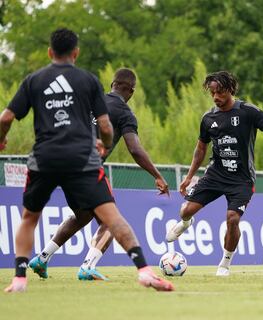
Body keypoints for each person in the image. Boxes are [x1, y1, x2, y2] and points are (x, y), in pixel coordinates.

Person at [0, 28, 173, 292]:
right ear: (76, 53)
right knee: (110, 217)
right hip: (83, 162)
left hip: (44, 157)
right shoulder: (89, 84)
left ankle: (26, 272)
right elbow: (114, 133)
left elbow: (6, 118)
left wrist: (1, 140)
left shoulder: (34, 80)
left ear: (49, 52)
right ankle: (121, 269)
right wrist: (104, 143)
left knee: (39, 218)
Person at [27, 68, 169, 281]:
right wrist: (157, 175)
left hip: (61, 164)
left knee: (82, 216)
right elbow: (135, 149)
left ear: (112, 85)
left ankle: (42, 258)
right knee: (112, 220)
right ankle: (87, 267)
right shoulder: (124, 113)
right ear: (131, 91)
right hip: (87, 167)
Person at [166, 71, 263, 276]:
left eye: (220, 92)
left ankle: (224, 264)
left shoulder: (247, 111)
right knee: (186, 211)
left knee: (233, 218)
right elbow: (200, 149)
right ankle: (186, 222)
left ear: (231, 90)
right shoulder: (208, 118)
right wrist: (189, 176)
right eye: (212, 93)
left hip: (242, 179)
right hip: (215, 175)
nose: (216, 97)